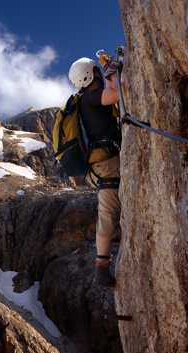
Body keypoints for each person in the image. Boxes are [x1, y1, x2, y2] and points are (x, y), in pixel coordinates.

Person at [68, 55, 122, 286]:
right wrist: (111, 71)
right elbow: (117, 94)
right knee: (108, 213)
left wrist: (108, 71)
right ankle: (101, 267)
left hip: (100, 164)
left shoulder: (84, 101)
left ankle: (102, 264)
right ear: (90, 75)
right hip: (108, 164)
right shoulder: (90, 98)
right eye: (97, 72)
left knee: (109, 211)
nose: (100, 74)